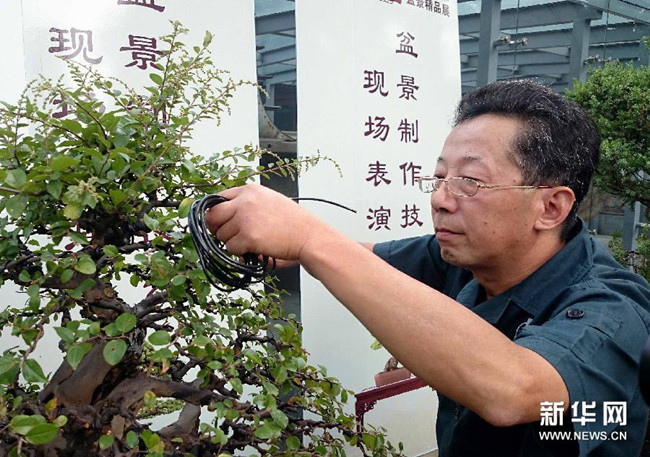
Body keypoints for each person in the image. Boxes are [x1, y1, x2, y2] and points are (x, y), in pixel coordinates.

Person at [205, 80, 650, 456]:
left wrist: (309, 238)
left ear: (551, 206)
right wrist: (281, 243)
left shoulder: (610, 310)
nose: (440, 198)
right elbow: (363, 257)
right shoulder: (462, 256)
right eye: (439, 178)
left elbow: (516, 389)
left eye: (469, 182)